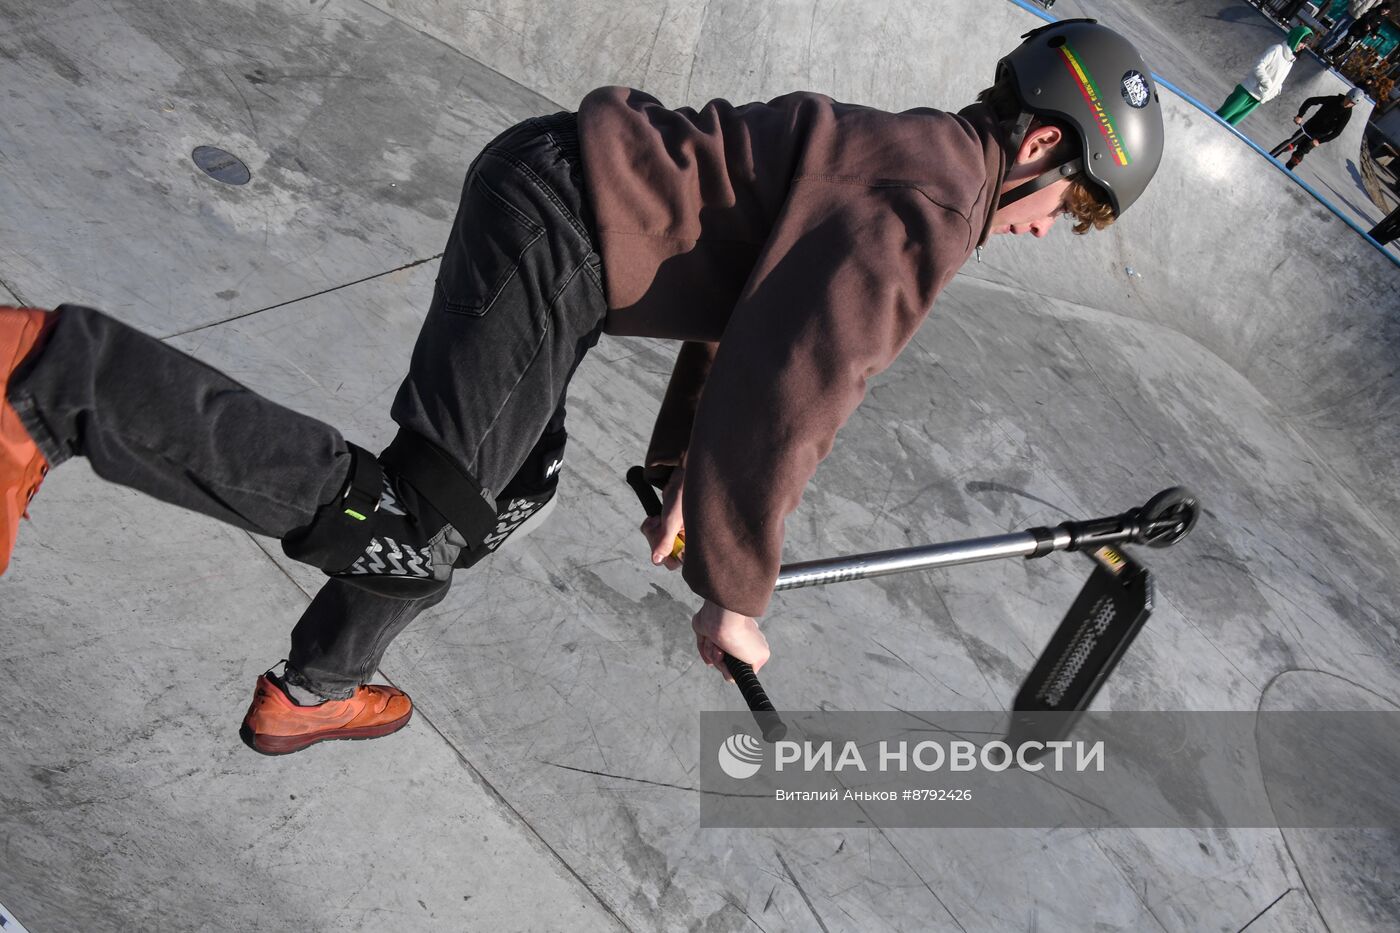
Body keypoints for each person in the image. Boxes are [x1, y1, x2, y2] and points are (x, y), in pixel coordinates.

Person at [0, 18, 1166, 755]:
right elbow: (800, 382)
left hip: (559, 214)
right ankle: (51, 379)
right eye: (1074, 207)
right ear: (1042, 147)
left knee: (506, 487)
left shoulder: (919, 160)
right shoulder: (932, 206)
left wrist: (678, 477)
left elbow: (759, 303)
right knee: (415, 520)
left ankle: (318, 687)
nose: (1048, 231)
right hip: (559, 227)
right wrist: (732, 586)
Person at [1217, 25, 1315, 126]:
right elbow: (1258, 66)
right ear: (1296, 38)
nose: (1303, 47)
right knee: (1220, 117)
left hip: (1258, 99)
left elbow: (1279, 80)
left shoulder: (1290, 61)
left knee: (1229, 125)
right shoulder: (1277, 49)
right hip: (1246, 92)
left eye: (1305, 44)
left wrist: (1275, 91)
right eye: (1303, 42)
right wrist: (1267, 84)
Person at [1269, 87, 1365, 169]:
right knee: (1290, 144)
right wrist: (1300, 115)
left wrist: (1320, 141)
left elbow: (1337, 132)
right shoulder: (1333, 99)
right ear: (1346, 96)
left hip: (1318, 136)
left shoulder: (1347, 114)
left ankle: (1287, 169)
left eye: (1352, 104)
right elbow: (1310, 101)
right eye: (1348, 100)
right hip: (1310, 126)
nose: (1348, 104)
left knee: (1299, 155)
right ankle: (1270, 156)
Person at [1328, 2, 1394, 65]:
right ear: (1382, 7)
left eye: (1387, 11)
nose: (1385, 11)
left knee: (1349, 46)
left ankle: (1333, 55)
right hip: (1356, 29)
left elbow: (1376, 27)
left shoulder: (1382, 18)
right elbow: (1365, 17)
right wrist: (1367, 24)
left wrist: (1374, 34)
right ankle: (1333, 55)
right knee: (1348, 43)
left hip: (1361, 34)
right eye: (1385, 9)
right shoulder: (1374, 11)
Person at [1317, 0, 1389, 56]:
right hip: (1350, 10)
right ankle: (1320, 46)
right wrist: (1353, 2)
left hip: (1358, 17)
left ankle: (1324, 50)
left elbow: (1375, 7)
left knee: (1339, 36)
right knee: (1333, 30)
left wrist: (1366, 12)